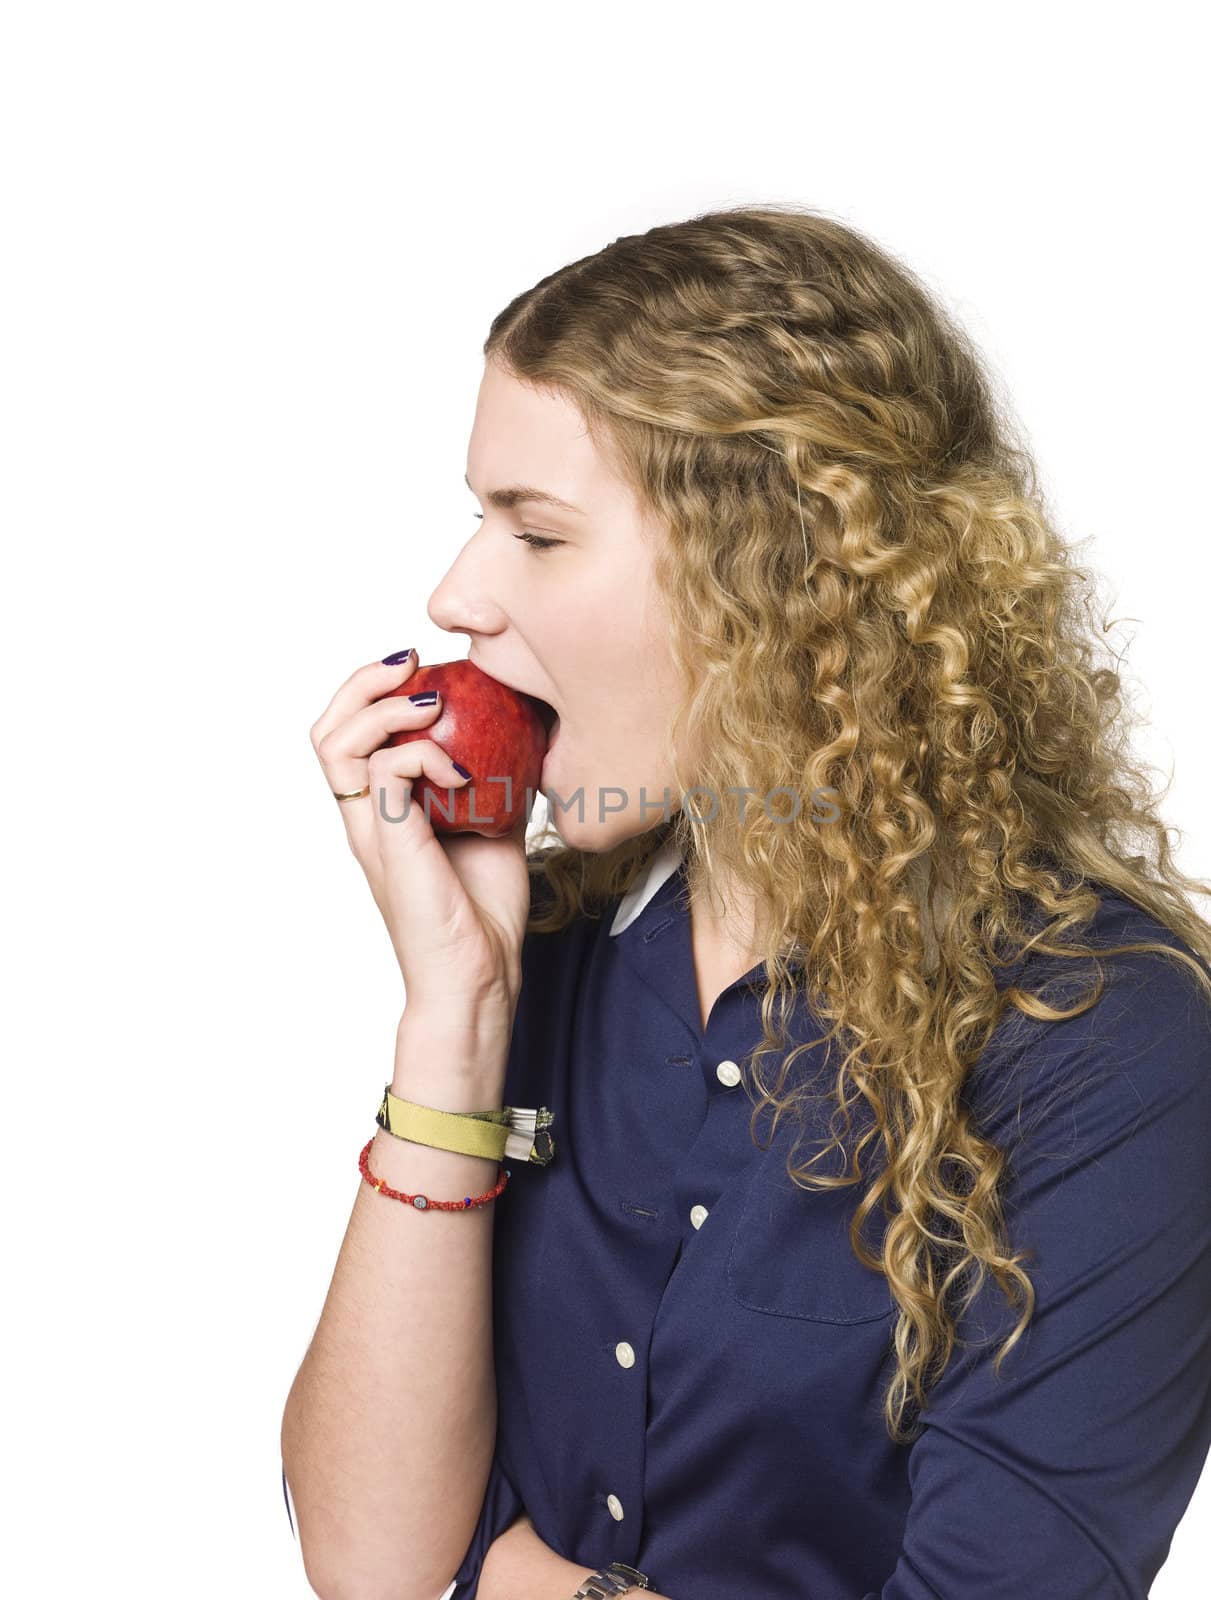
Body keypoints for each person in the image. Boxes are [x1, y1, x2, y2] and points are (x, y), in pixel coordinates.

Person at [282, 205, 1211, 1600]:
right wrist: (455, 1020)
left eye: (535, 535)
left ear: (774, 582)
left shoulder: (1104, 1040)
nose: (457, 595)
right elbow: (374, 1567)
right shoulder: (554, 955)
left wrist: (547, 1588)